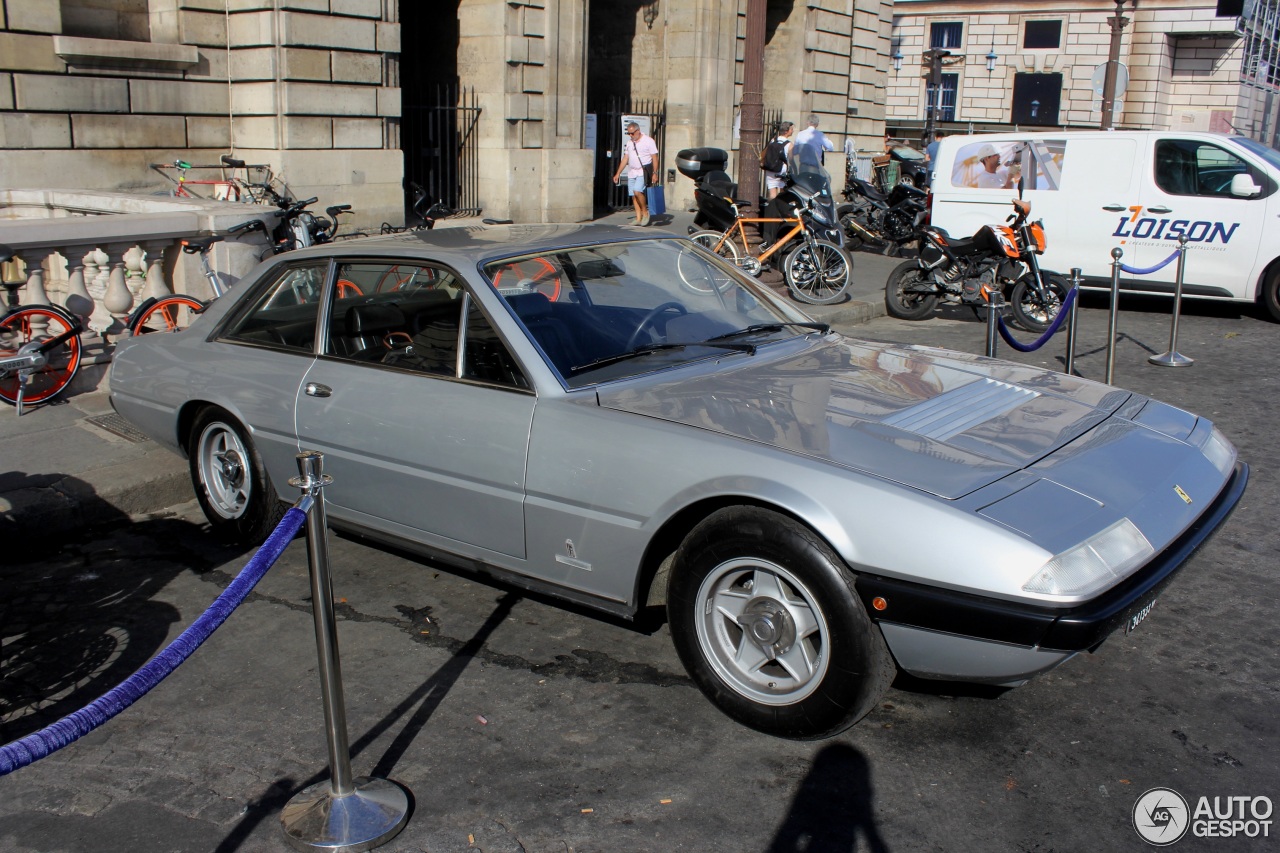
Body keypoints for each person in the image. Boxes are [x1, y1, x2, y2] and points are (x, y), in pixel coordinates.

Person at [612, 121, 659, 226]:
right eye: (629, 133)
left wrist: (655, 172)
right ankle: (638, 218)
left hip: (643, 171)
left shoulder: (648, 141)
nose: (630, 135)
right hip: (632, 171)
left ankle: (645, 213)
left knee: (638, 191)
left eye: (632, 133)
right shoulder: (630, 143)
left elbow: (655, 158)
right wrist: (617, 173)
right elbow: (625, 158)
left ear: (638, 131)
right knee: (633, 195)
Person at [762, 121, 794, 199]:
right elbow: (791, 160)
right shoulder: (789, 144)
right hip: (781, 170)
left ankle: (772, 207)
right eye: (791, 129)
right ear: (787, 131)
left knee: (772, 193)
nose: (792, 131)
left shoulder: (773, 140)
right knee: (782, 193)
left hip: (770, 169)